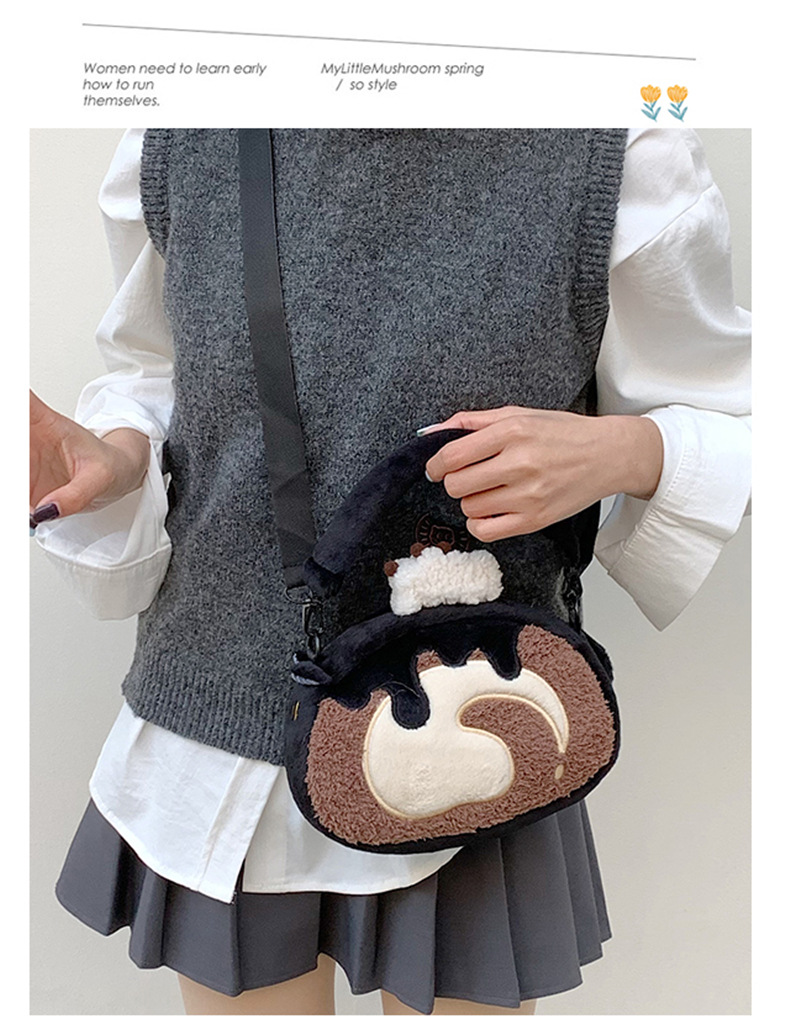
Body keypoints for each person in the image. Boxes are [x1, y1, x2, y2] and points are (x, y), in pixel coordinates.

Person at [30, 127, 751, 1016]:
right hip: (218, 737)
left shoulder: (619, 146)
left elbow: (734, 412)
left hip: (475, 726)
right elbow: (156, 370)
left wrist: (625, 450)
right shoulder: (181, 126)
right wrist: (118, 454)